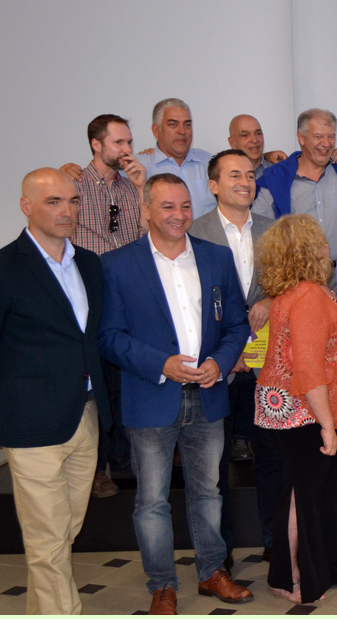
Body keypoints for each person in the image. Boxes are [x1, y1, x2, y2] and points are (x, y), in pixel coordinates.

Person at [98, 173, 252, 614]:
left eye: (185, 206)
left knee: (209, 493)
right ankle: (162, 585)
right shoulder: (117, 265)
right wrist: (159, 364)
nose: (178, 215)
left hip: (208, 395)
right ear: (146, 209)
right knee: (152, 501)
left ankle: (211, 572)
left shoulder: (216, 257)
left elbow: (236, 324)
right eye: (167, 206)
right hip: (151, 396)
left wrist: (220, 362)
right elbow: (109, 337)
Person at [0, 168, 113, 614]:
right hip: (31, 424)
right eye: (53, 202)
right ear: (26, 206)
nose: (67, 211)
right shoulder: (3, 268)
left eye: (73, 201)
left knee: (62, 532)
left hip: (85, 416)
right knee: (47, 542)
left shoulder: (89, 264)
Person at [253, 214, 337, 604]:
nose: (327, 246)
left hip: (316, 410)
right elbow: (308, 368)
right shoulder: (307, 296)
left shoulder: (307, 292)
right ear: (308, 249)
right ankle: (288, 577)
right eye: (320, 240)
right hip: (307, 414)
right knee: (302, 495)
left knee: (327, 492)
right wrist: (326, 425)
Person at [188, 149, 279, 566]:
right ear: (213, 185)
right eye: (234, 175)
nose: (245, 182)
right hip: (217, 365)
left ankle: (277, 546)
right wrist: (230, 350)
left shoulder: (272, 229)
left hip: (268, 364)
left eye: (250, 175)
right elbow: (190, 303)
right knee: (214, 469)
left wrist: (272, 301)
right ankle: (218, 557)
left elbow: (291, 283)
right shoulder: (195, 232)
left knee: (272, 460)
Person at [71, 114, 147, 498]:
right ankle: (96, 468)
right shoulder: (73, 185)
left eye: (129, 142)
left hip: (129, 295)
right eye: (119, 142)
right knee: (97, 383)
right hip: (89, 296)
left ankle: (125, 460)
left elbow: (149, 237)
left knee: (125, 381)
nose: (127, 149)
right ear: (96, 145)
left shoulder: (134, 186)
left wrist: (142, 189)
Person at [253, 108, 337, 262]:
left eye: (331, 137)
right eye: (318, 137)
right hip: (297, 273)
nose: (326, 144)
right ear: (301, 138)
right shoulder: (275, 178)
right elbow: (258, 230)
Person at [134, 98, 216, 218]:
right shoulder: (140, 168)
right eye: (173, 124)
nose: (182, 131)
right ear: (156, 131)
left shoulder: (207, 161)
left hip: (207, 231)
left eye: (187, 125)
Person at [228, 114, 337, 180]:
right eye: (245, 135)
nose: (254, 140)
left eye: (258, 133)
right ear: (232, 142)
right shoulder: (223, 172)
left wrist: (329, 153)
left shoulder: (278, 169)